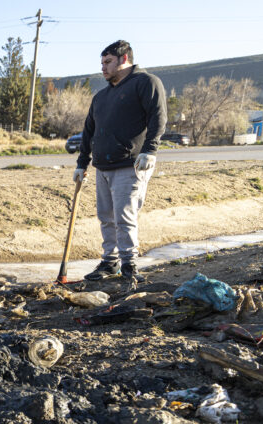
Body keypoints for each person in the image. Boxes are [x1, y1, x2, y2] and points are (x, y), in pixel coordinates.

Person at [74, 40, 167, 283]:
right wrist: (81, 163)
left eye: (108, 62)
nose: (103, 68)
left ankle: (130, 266)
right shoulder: (102, 96)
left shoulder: (146, 82)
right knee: (106, 217)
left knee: (125, 216)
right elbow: (89, 131)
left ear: (124, 59)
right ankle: (110, 262)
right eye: (102, 63)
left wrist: (151, 150)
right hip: (103, 165)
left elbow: (158, 116)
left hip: (131, 163)